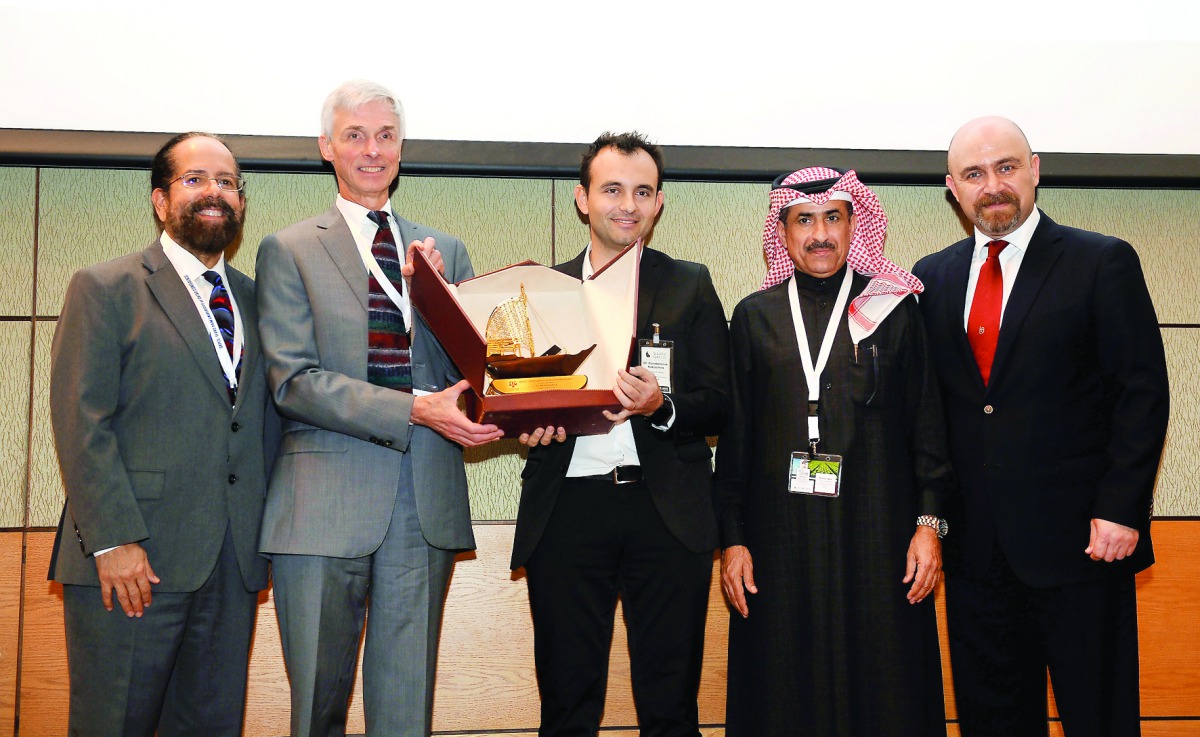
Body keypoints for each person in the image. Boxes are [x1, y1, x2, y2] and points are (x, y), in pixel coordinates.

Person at [255, 80, 503, 737]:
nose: (372, 150)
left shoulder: (443, 250)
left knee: (405, 713)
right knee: (316, 709)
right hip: (320, 507)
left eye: (386, 136)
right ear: (326, 147)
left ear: (401, 147)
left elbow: (471, 377)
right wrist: (417, 410)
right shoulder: (289, 249)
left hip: (422, 506)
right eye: (355, 135)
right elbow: (295, 381)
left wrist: (448, 306)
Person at [913, 116, 1170, 737]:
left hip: (1083, 546)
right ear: (953, 188)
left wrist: (1122, 508)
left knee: (1100, 716)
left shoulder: (1101, 260)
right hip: (976, 556)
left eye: (1006, 167)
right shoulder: (932, 278)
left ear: (1035, 170)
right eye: (974, 174)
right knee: (991, 720)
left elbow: (1142, 393)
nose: (992, 185)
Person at [48, 132, 276, 736]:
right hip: (132, 564)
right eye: (195, 179)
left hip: (232, 564)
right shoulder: (106, 288)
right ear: (159, 200)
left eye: (228, 182)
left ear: (242, 203)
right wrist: (114, 540)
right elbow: (80, 422)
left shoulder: (259, 300)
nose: (215, 193)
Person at [715, 166, 952, 736]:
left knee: (886, 682)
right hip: (778, 539)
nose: (819, 234)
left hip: (880, 534)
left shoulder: (894, 310)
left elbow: (929, 428)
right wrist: (732, 539)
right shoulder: (754, 317)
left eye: (833, 219)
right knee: (782, 684)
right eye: (804, 221)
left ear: (853, 226)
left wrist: (929, 525)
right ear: (785, 231)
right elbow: (735, 442)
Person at [515, 131, 730, 736]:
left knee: (669, 704)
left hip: (666, 514)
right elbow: (515, 397)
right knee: (566, 700)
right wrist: (529, 427)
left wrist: (662, 406)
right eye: (612, 190)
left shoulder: (690, 282)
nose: (627, 205)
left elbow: (719, 403)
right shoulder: (540, 291)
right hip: (567, 512)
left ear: (659, 203)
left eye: (642, 192)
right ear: (582, 200)